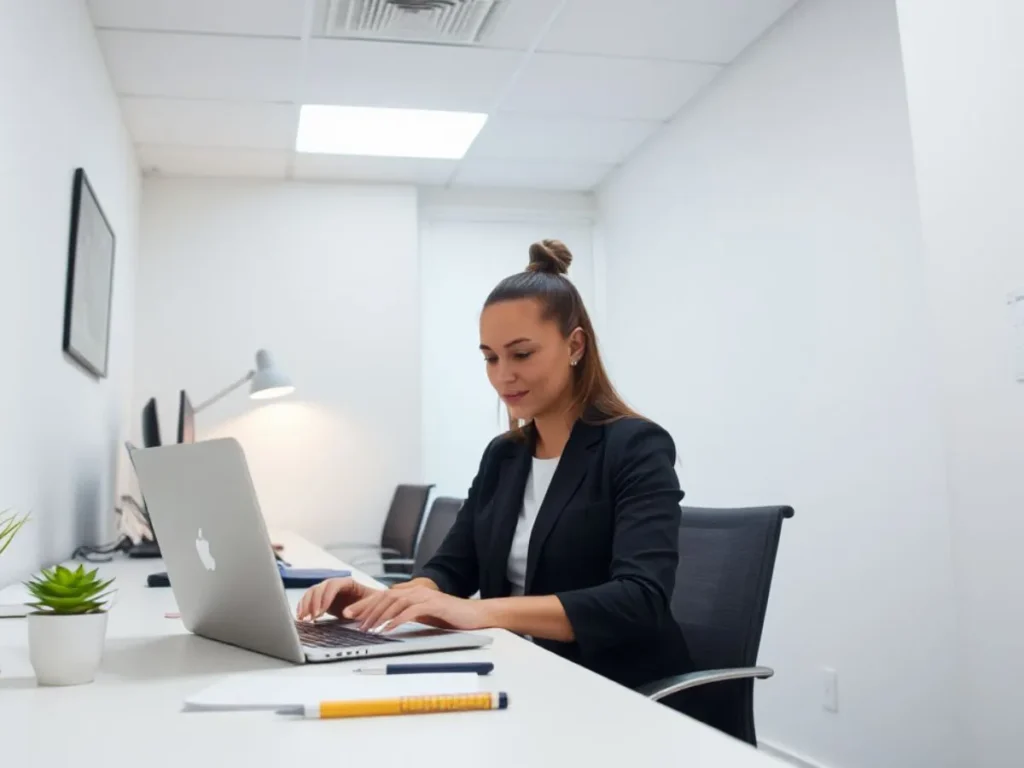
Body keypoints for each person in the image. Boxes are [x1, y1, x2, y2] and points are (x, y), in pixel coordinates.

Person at [297, 239, 693, 689]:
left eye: (521, 354)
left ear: (575, 346)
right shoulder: (504, 455)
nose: (503, 375)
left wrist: (479, 611)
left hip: (610, 686)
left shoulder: (635, 445)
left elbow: (639, 600)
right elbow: (452, 568)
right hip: (515, 670)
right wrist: (381, 600)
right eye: (490, 357)